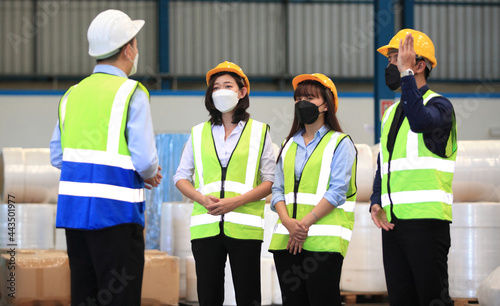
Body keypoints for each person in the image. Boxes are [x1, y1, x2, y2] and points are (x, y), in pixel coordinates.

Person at [49, 9, 162, 305]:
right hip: (116, 216)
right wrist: (149, 174)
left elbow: (57, 155)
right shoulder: (131, 92)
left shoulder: (72, 94)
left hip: (74, 216)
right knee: (119, 297)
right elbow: (145, 160)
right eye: (135, 45)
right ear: (127, 49)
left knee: (85, 296)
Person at [173, 61, 275, 306]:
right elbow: (180, 176)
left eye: (227, 85)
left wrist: (236, 202)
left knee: (248, 295)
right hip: (205, 226)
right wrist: (200, 198)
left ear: (242, 92)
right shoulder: (198, 133)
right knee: (209, 297)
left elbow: (271, 180)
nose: (221, 91)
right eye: (215, 87)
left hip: (244, 226)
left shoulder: (260, 132)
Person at [370, 29, 457, 306]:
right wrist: (376, 201)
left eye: (396, 59)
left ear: (419, 66)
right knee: (401, 299)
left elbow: (419, 121)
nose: (390, 66)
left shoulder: (440, 106)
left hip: (426, 222)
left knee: (431, 298)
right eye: (390, 61)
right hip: (394, 223)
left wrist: (406, 77)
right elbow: (384, 163)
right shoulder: (391, 112)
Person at [268, 73, 357, 306]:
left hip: (323, 244)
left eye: (309, 97)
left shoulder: (340, 143)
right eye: (298, 99)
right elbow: (277, 189)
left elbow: (337, 191)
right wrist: (289, 223)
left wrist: (303, 224)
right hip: (287, 241)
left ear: (326, 104)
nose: (302, 103)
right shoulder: (288, 144)